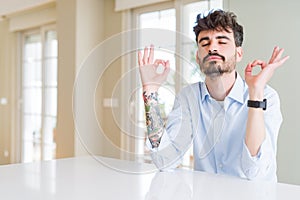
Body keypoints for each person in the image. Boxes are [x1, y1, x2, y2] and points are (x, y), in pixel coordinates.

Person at [138, 9, 289, 181]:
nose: (212, 48)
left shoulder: (266, 96)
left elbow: (255, 172)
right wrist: (150, 91)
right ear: (197, 56)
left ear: (239, 54)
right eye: (204, 43)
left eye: (222, 41)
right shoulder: (189, 97)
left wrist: (255, 95)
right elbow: (165, 161)